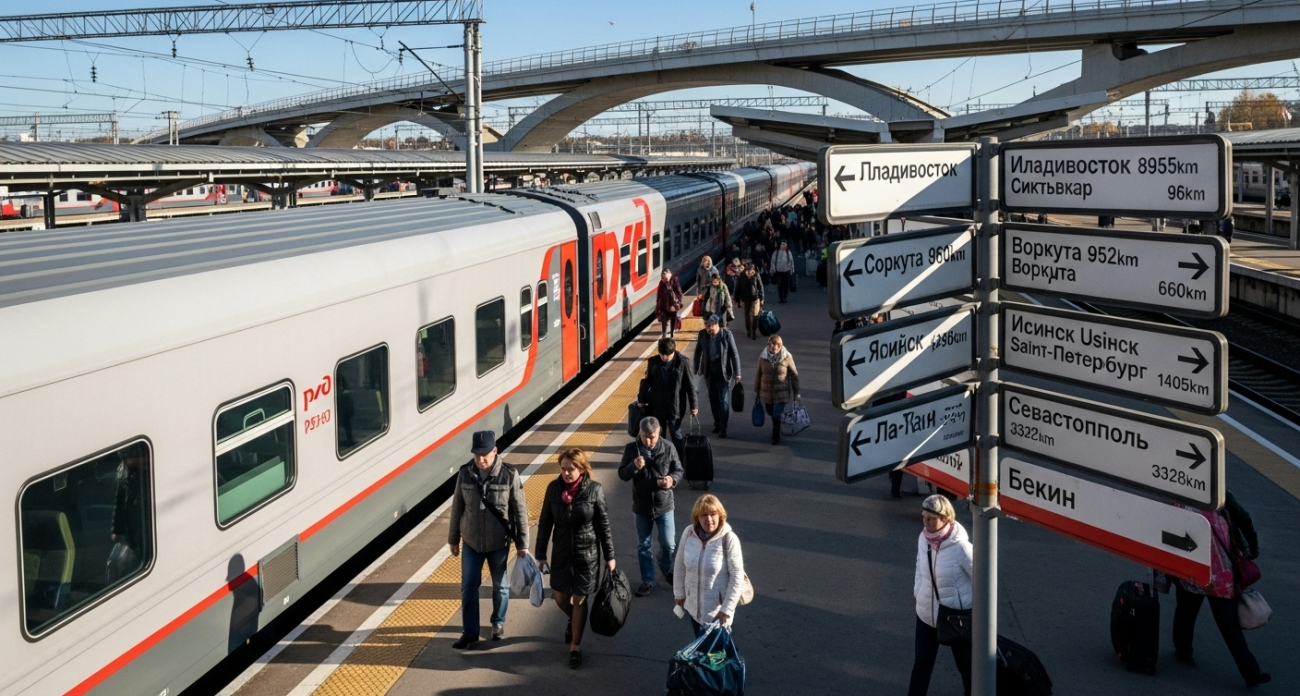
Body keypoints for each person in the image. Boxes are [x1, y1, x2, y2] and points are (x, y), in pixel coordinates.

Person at [1173, 493, 1270, 686]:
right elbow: (1244, 518)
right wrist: (1253, 547)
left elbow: (1243, 518)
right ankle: (1183, 650)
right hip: (1203, 571)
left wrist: (1251, 547)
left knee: (1214, 619)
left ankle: (1250, 673)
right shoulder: (1215, 495)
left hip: (1213, 571)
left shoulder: (1199, 494)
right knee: (1195, 615)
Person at [535, 448, 615, 669]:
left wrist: (610, 556)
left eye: (571, 469)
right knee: (560, 599)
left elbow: (603, 525)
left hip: (586, 555)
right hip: (561, 553)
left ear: (582, 469)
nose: (566, 473)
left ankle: (575, 647)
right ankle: (574, 620)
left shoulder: (595, 490)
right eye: (563, 469)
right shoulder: (553, 489)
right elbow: (544, 523)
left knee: (580, 599)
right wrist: (540, 554)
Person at [449, 431, 529, 649]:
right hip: (471, 543)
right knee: (468, 587)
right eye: (476, 455)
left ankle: (498, 623)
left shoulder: (509, 475)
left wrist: (523, 544)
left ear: (495, 451)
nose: (480, 460)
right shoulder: (465, 474)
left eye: (484, 455)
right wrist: (453, 539)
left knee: (500, 586)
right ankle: (470, 632)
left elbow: (520, 511)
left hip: (498, 544)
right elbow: (457, 508)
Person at [909, 495, 973, 696]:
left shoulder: (961, 547)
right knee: (921, 666)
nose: (925, 522)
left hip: (956, 617)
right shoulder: (924, 538)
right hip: (927, 615)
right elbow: (920, 566)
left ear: (946, 519)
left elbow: (984, 579)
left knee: (967, 668)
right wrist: (918, 593)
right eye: (923, 517)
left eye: (930, 518)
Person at [619, 416, 685, 597]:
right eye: (644, 436)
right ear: (639, 433)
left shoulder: (668, 447)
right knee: (644, 545)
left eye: (652, 437)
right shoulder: (632, 449)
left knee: (668, 544)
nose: (648, 441)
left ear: (659, 432)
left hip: (664, 505)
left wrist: (672, 480)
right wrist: (633, 466)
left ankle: (666, 568)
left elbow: (679, 470)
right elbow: (622, 474)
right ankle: (647, 579)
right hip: (642, 506)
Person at [674, 494, 745, 638]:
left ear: (720, 516)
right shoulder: (689, 533)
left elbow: (737, 577)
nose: (709, 520)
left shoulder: (729, 539)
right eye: (704, 515)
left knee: (716, 657)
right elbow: (680, 564)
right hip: (693, 609)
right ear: (697, 517)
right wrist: (679, 593)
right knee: (701, 653)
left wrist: (727, 609)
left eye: (713, 514)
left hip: (717, 614)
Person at [638, 337, 698, 457]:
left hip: (675, 406)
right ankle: (661, 460)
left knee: (676, 434)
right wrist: (641, 399)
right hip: (657, 405)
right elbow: (647, 381)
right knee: (658, 435)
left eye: (668, 355)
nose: (665, 358)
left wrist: (694, 406)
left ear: (674, 352)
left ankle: (680, 460)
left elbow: (690, 386)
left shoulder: (683, 362)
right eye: (662, 355)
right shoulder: (653, 362)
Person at [692, 314, 742, 438]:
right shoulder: (702, 334)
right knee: (712, 398)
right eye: (707, 326)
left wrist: (738, 372)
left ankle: (723, 426)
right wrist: (696, 366)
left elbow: (734, 354)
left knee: (723, 400)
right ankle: (717, 423)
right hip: (709, 371)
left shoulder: (726, 335)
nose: (708, 328)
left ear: (717, 324)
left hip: (723, 372)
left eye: (711, 326)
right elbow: (698, 350)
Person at [754, 334, 800, 445]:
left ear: (780, 347)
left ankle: (775, 436)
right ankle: (777, 423)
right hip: (767, 393)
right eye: (770, 345)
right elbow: (758, 374)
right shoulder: (763, 357)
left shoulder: (787, 357)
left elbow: (794, 375)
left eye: (775, 346)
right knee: (770, 412)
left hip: (782, 393)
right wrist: (757, 389)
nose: (772, 348)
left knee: (776, 414)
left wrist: (796, 392)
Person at [734, 263, 765, 341]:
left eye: (751, 270)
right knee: (747, 315)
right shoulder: (742, 276)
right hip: (746, 299)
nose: (750, 272)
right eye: (748, 271)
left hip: (755, 298)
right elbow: (738, 288)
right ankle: (749, 330)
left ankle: (753, 331)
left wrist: (762, 298)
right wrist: (737, 300)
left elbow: (760, 286)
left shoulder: (756, 275)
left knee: (755, 315)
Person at [655, 269, 684, 338]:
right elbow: (659, 293)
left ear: (669, 274)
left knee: (673, 318)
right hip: (664, 304)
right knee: (664, 319)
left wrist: (675, 305)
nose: (664, 278)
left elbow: (679, 293)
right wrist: (658, 304)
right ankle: (664, 334)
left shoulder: (674, 280)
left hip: (672, 304)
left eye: (665, 275)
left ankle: (672, 333)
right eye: (662, 276)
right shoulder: (661, 282)